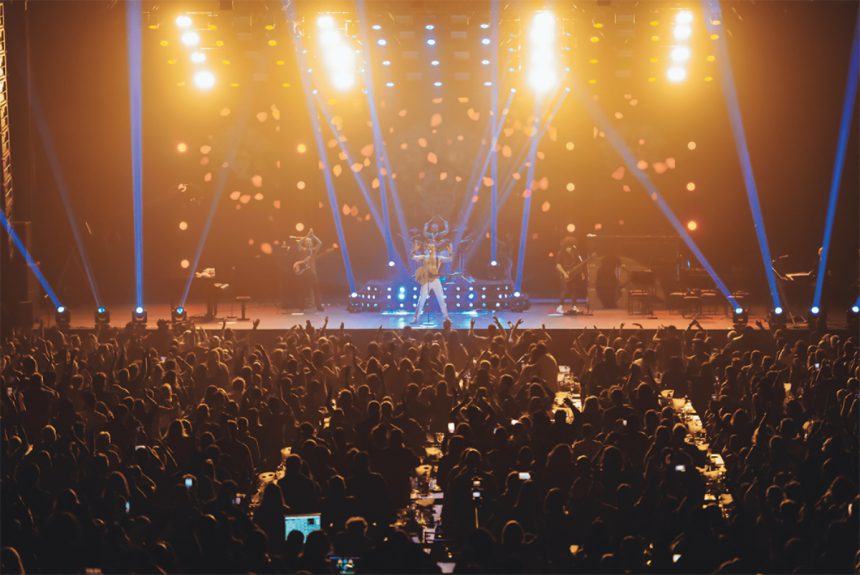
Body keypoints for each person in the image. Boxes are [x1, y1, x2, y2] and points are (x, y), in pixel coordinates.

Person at [412, 242, 450, 324]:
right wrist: (414, 250)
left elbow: (449, 259)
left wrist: (450, 252)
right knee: (421, 300)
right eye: (428, 247)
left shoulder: (438, 258)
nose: (430, 249)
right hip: (426, 281)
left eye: (432, 247)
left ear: (434, 249)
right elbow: (413, 257)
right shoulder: (424, 257)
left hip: (436, 280)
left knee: (441, 299)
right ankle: (415, 318)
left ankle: (446, 318)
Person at [291, 229, 324, 311]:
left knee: (316, 290)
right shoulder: (302, 250)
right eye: (307, 242)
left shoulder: (313, 250)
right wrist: (306, 235)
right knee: (303, 290)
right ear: (305, 243)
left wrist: (313, 236)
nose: (308, 242)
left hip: (312, 272)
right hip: (304, 272)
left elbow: (320, 243)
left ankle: (318, 307)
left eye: (310, 242)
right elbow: (298, 243)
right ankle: (301, 307)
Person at [555, 237, 587, 315]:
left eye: (571, 247)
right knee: (565, 291)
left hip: (574, 275)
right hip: (564, 275)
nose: (569, 249)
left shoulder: (575, 253)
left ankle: (574, 306)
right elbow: (558, 265)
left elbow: (579, 264)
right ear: (565, 247)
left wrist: (582, 273)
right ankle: (559, 307)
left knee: (574, 291)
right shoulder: (560, 253)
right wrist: (564, 273)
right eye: (568, 247)